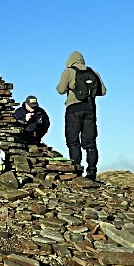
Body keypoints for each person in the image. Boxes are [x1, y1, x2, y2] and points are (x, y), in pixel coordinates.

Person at [56, 51, 107, 180]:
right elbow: (103, 91)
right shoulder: (93, 72)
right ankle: (92, 172)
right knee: (90, 142)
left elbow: (60, 90)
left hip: (73, 109)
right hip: (90, 109)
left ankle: (76, 170)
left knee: (73, 141)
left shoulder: (68, 72)